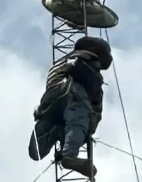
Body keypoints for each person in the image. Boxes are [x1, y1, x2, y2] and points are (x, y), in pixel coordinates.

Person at [28, 34, 112, 172]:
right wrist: (88, 130)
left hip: (49, 101)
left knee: (37, 150)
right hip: (70, 92)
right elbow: (94, 109)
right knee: (80, 117)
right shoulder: (85, 59)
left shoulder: (62, 62)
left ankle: (57, 134)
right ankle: (69, 156)